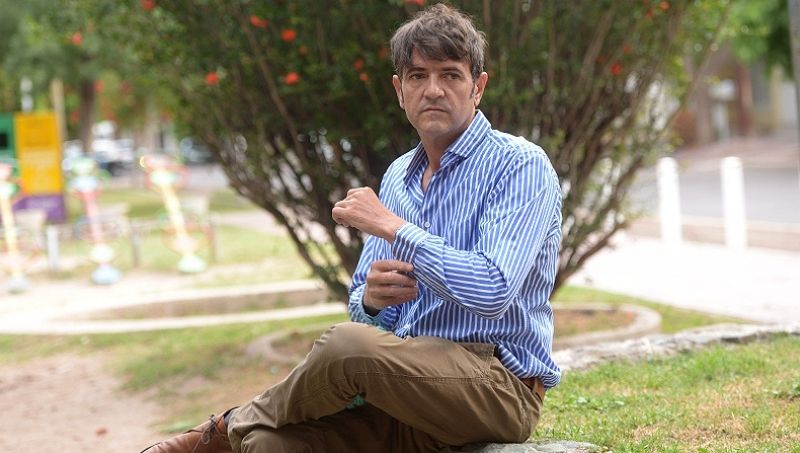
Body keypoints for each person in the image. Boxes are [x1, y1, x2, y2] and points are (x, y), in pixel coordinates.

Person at [142, 3, 562, 452]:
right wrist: (373, 302)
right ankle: (238, 430)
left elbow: (493, 290)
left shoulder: (519, 164)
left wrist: (394, 227)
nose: (433, 90)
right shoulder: (398, 177)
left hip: (497, 389)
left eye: (450, 75)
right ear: (400, 91)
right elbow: (364, 313)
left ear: (478, 87)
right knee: (267, 442)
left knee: (345, 347)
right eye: (417, 76)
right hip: (405, 395)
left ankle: (218, 431)